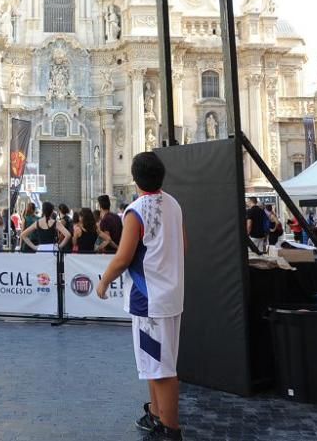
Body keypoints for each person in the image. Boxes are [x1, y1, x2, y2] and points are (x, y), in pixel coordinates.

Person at [97, 152, 186, 441]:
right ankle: (157, 415)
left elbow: (123, 258)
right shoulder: (173, 204)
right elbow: (183, 245)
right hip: (169, 295)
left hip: (149, 298)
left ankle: (170, 430)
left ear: (135, 179)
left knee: (161, 369)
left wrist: (103, 283)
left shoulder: (135, 211)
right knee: (154, 362)